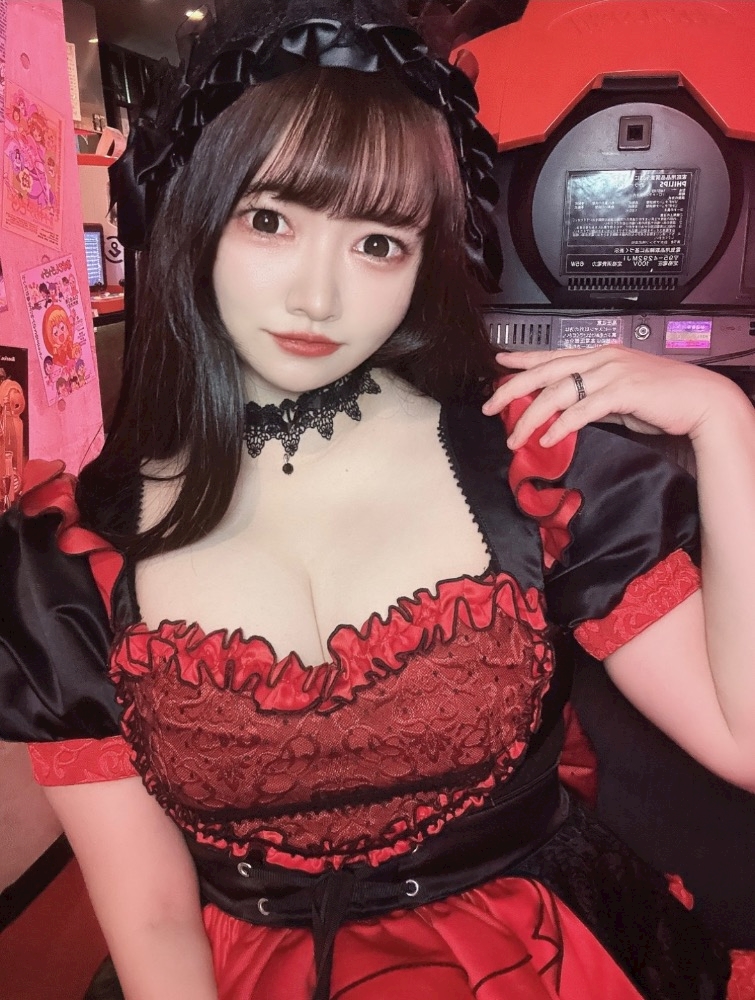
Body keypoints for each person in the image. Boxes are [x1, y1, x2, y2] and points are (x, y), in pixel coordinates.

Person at [1, 2, 754, 998]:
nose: (318, 298)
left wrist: (722, 423)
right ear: (192, 217)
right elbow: (151, 920)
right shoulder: (71, 565)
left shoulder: (531, 465)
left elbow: (744, 740)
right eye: (270, 220)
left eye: (377, 243)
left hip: (541, 960)